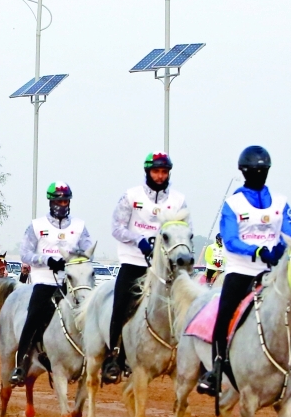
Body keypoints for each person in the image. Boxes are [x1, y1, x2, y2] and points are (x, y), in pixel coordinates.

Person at [197, 146, 291, 405]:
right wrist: (257, 251)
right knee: (224, 317)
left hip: (273, 274)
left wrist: (278, 250)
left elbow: (288, 234)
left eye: (263, 171)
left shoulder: (281, 203)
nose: (259, 174)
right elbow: (231, 240)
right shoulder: (232, 204)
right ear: (244, 172)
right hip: (241, 272)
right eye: (254, 171)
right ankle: (216, 369)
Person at [102, 152, 185, 384]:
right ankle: (114, 357)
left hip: (164, 268)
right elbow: (116, 228)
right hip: (134, 261)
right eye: (156, 171)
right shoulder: (131, 196)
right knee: (120, 306)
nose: (160, 176)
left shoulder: (178, 201)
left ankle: (188, 356)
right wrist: (138, 240)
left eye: (164, 172)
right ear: (148, 172)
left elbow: (183, 232)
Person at [11, 183, 93, 385]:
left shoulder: (79, 227)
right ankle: (21, 365)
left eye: (65, 201)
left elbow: (88, 250)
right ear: (51, 202)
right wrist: (47, 261)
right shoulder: (36, 226)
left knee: (89, 315)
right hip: (44, 282)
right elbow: (26, 253)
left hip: (70, 283)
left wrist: (73, 261)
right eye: (58, 201)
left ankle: (100, 359)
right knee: (33, 319)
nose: (62, 204)